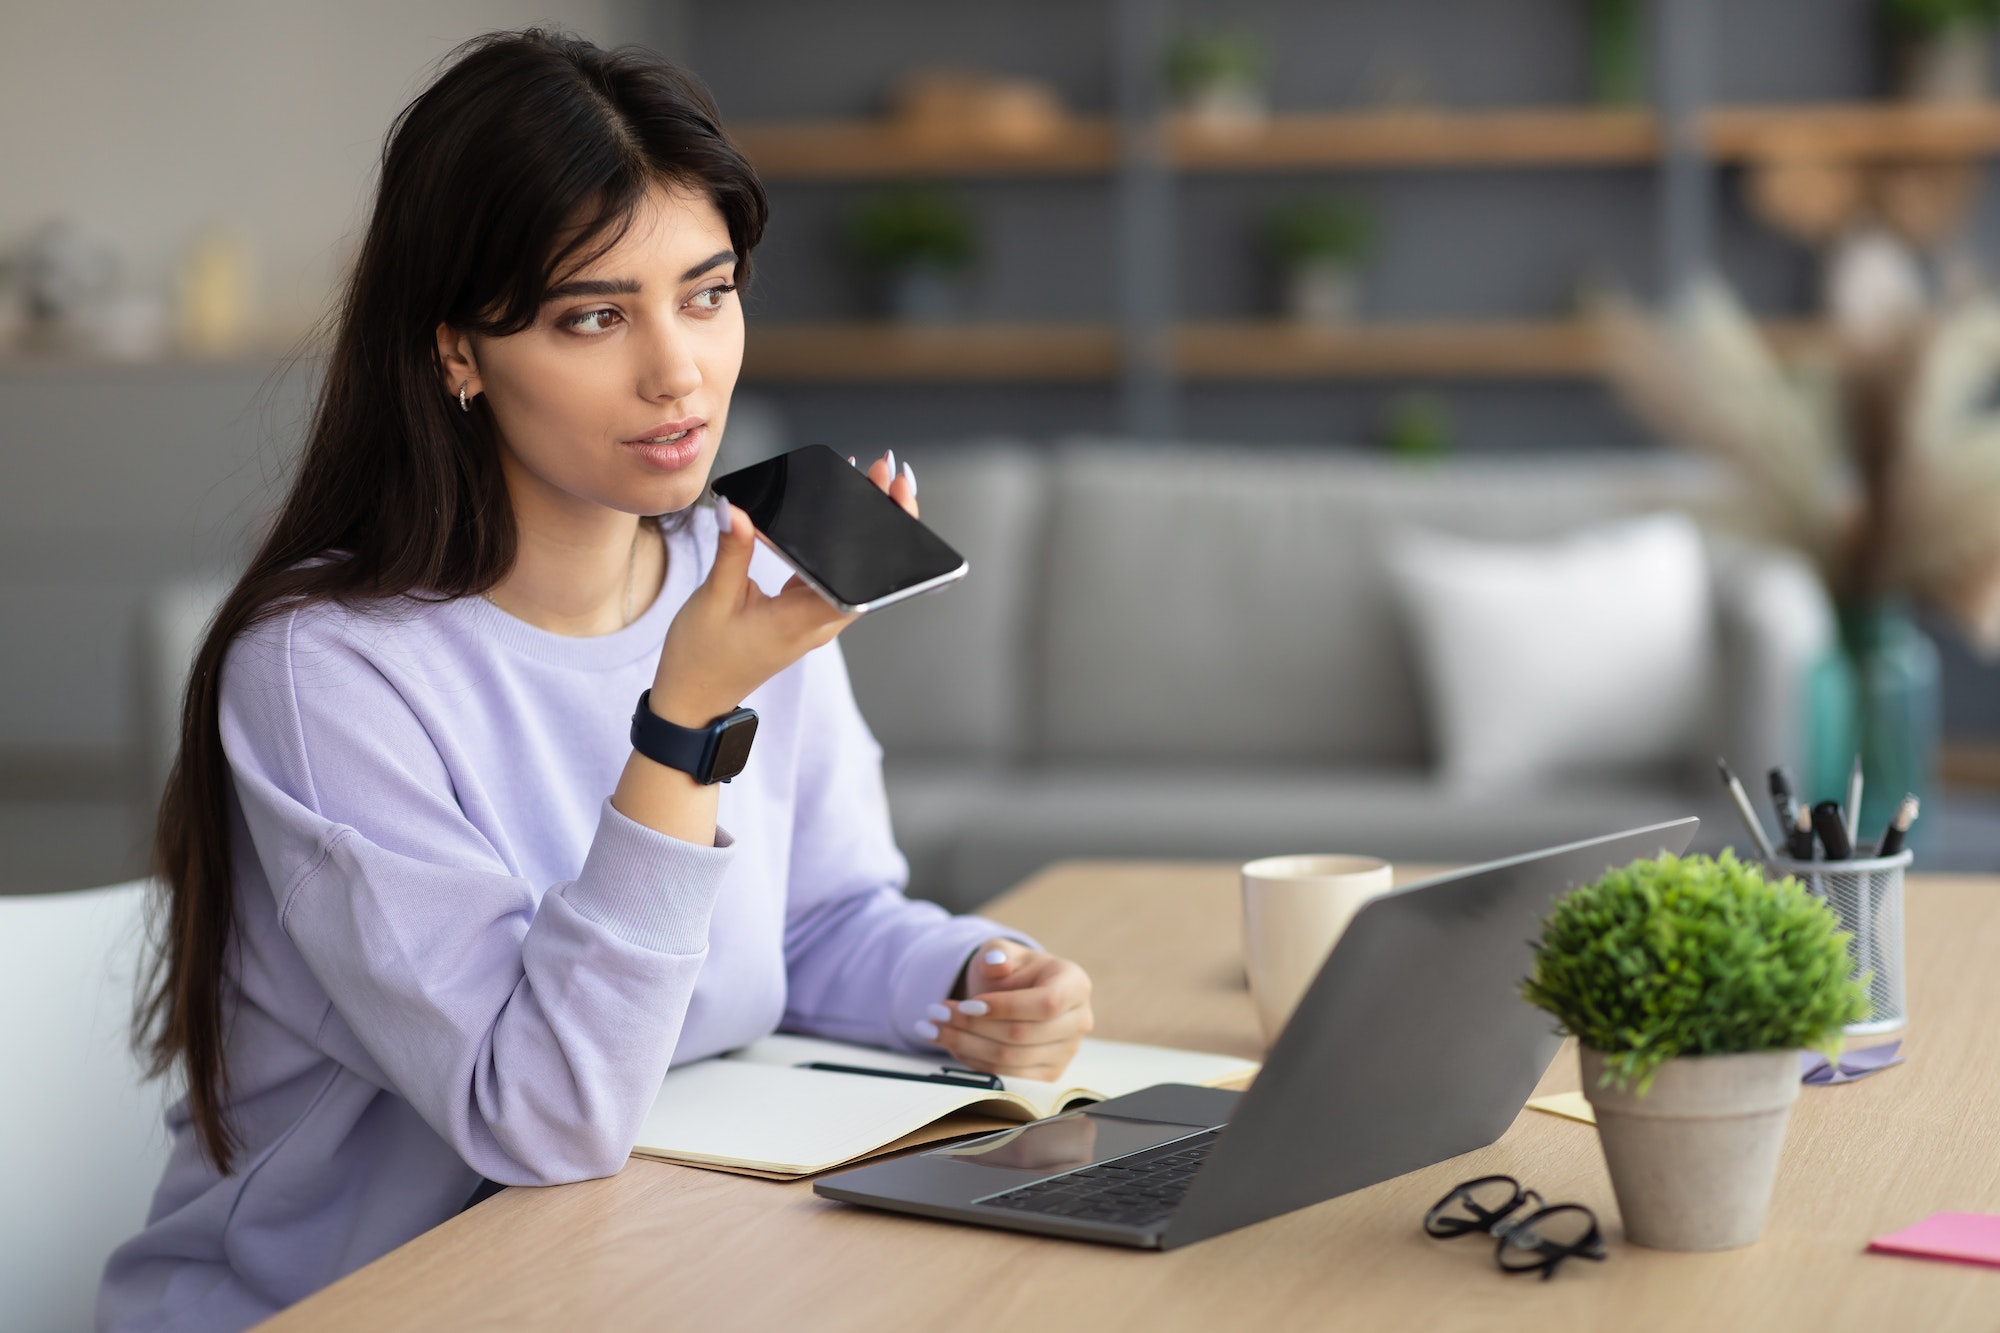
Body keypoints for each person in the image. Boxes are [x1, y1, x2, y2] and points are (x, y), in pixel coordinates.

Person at [102, 30, 1094, 1332]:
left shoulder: (737, 574)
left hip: (642, 1261)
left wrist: (979, 976)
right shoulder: (325, 672)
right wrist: (681, 722)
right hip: (355, 1303)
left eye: (706, 291)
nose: (677, 370)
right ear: (459, 351)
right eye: (593, 315)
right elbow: (542, 1110)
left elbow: (817, 923)